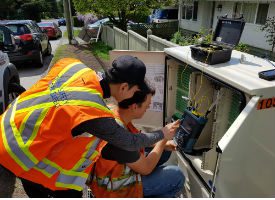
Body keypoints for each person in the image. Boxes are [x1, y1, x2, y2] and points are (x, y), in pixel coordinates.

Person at [0, 55, 180, 198]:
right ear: (124, 87)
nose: (134, 96)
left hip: (8, 124)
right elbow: (130, 142)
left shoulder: (73, 66)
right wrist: (163, 133)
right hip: (14, 151)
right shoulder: (92, 111)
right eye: (134, 91)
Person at [90, 83, 185, 198]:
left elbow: (137, 138)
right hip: (114, 190)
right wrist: (164, 139)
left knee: (164, 152)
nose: (148, 108)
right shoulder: (120, 138)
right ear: (135, 106)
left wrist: (162, 143)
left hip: (114, 171)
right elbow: (146, 168)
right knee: (176, 176)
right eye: (147, 105)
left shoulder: (114, 113)